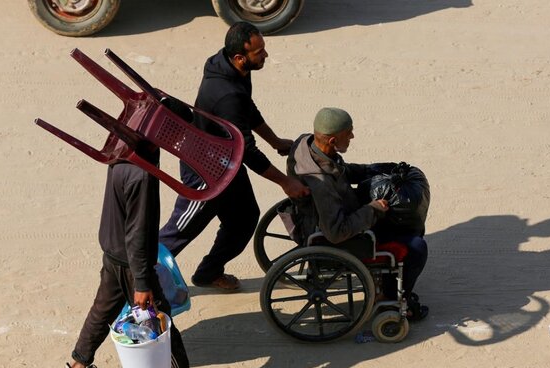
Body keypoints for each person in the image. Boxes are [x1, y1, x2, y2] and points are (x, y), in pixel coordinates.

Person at [56, 144, 224, 368]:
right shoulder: (142, 175)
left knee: (103, 310)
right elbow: (137, 232)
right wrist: (143, 282)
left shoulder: (120, 155)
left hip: (112, 250)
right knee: (159, 318)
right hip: (131, 261)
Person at [159, 21, 309, 291]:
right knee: (179, 232)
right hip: (205, 170)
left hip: (226, 159)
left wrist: (274, 141)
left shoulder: (230, 67)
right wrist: (285, 182)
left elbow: (246, 108)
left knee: (244, 218)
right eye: (259, 52)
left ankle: (208, 272)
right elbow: (248, 151)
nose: (265, 55)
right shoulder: (226, 94)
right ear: (240, 57)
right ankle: (136, 277)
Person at [287, 107, 429, 320]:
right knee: (416, 246)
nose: (352, 136)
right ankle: (389, 297)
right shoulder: (321, 184)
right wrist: (373, 209)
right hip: (338, 238)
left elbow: (340, 171)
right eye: (349, 133)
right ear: (333, 140)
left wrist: (373, 169)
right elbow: (336, 232)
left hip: (327, 214)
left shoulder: (307, 144)